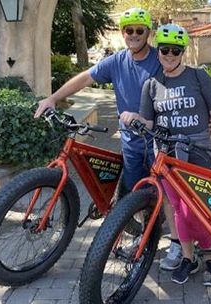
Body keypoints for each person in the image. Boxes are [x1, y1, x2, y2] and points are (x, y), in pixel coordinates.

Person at [34, 8, 183, 271]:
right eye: (129, 30)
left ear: (148, 32)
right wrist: (53, 99)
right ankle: (144, 236)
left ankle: (177, 242)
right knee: (136, 194)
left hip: (160, 139)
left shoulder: (161, 59)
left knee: (169, 195)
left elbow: (182, 84)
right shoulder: (116, 62)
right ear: (123, 33)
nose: (134, 35)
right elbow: (85, 78)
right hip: (131, 143)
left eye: (139, 30)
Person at [127, 24, 211, 286]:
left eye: (175, 51)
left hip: (198, 153)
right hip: (166, 157)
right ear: (158, 51)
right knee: (178, 208)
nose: (169, 55)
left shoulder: (199, 77)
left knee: (199, 209)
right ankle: (188, 258)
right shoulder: (151, 85)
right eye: (165, 49)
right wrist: (131, 117)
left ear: (182, 52)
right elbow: (149, 123)